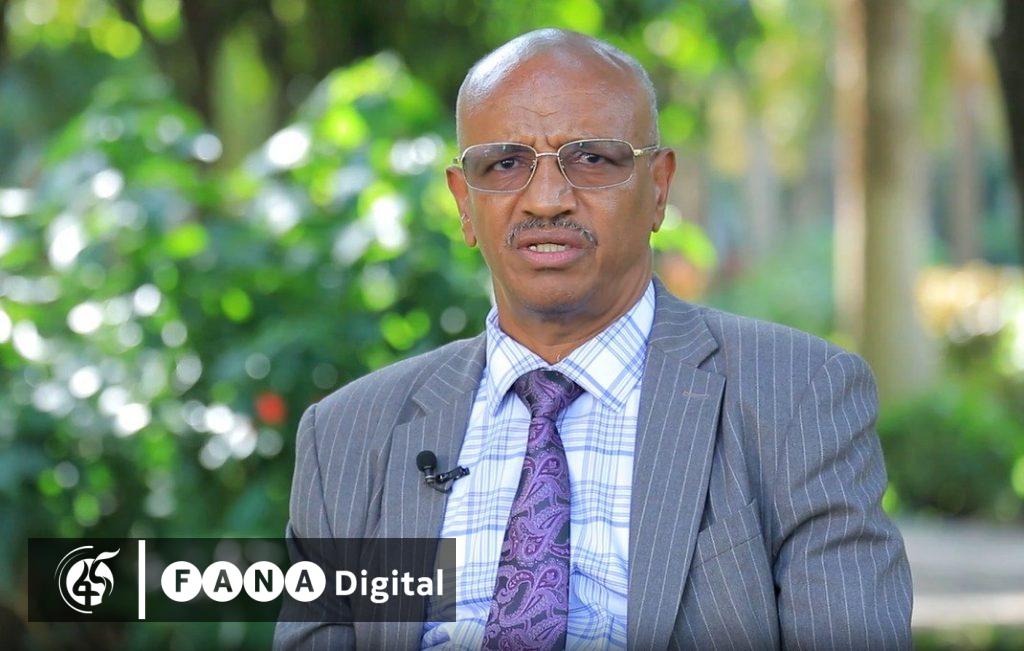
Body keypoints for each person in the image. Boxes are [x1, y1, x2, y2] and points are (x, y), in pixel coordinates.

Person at [274, 28, 913, 651]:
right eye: (505, 164)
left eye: (592, 159)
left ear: (658, 187)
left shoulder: (795, 397)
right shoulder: (348, 438)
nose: (547, 200)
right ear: (464, 203)